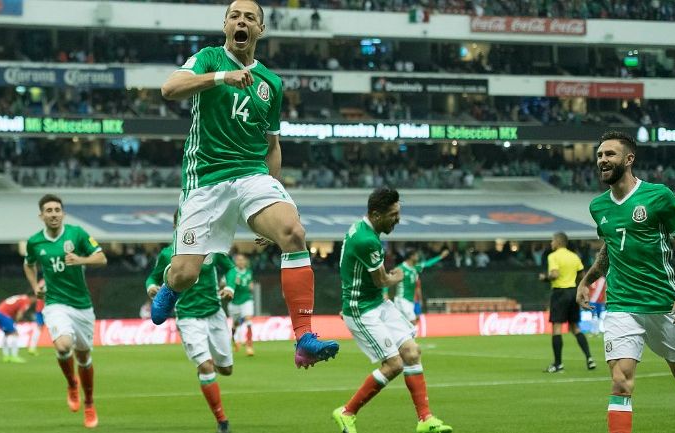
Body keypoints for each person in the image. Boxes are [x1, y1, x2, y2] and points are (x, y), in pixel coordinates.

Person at [152, 0, 338, 369]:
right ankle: (170, 286)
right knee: (187, 274)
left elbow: (272, 144)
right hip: (205, 180)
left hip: (252, 174)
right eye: (235, 16)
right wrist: (222, 78)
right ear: (225, 25)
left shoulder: (272, 83)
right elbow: (169, 89)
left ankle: (304, 338)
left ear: (260, 30)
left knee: (293, 232)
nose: (242, 21)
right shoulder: (208, 58)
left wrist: (273, 197)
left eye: (250, 17)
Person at [576, 131, 675, 433]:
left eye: (610, 154)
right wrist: (587, 280)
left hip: (662, 304)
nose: (602, 160)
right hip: (621, 305)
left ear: (629, 160)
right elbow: (610, 249)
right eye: (600, 155)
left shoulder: (659, 196)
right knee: (621, 382)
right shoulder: (598, 207)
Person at [332, 187, 452, 433]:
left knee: (411, 352)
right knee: (394, 364)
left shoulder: (362, 229)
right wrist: (398, 276)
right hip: (361, 308)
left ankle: (425, 419)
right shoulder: (368, 241)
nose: (398, 219)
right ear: (376, 214)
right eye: (394, 214)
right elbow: (382, 281)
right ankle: (346, 412)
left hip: (375, 303)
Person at [146, 210, 236, 433]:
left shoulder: (212, 249)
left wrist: (230, 286)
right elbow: (153, 276)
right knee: (206, 367)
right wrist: (151, 287)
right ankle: (222, 420)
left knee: (226, 369)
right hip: (187, 317)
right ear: (176, 226)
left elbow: (231, 268)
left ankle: (206, 366)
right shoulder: (169, 254)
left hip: (214, 313)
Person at [23, 194, 107, 429]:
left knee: (83, 357)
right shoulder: (35, 242)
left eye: (57, 210)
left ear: (63, 213)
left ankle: (89, 402)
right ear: (41, 216)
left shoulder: (77, 234)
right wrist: (34, 287)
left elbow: (101, 258)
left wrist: (81, 260)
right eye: (48, 210)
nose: (53, 214)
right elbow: (28, 264)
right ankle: (72, 383)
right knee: (62, 345)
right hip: (55, 303)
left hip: (82, 305)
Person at [538, 232, 595, 373]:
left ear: (558, 242)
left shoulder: (553, 256)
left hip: (560, 293)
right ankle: (589, 358)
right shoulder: (574, 256)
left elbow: (555, 274)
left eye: (552, 241)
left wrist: (544, 277)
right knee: (575, 327)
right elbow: (582, 275)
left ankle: (558, 364)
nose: (551, 243)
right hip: (573, 292)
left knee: (557, 328)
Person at [388, 249, 449, 325]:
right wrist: (384, 292)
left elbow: (427, 264)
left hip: (410, 300)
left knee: (404, 323)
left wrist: (440, 256)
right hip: (402, 299)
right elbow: (388, 278)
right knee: (412, 321)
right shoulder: (400, 268)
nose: (418, 257)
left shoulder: (415, 267)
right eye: (416, 255)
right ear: (411, 256)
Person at [0, 291, 37, 363]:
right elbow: (20, 313)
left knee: (6, 334)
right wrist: (16, 322)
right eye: (36, 298)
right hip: (3, 314)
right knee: (15, 334)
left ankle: (6, 356)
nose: (36, 301)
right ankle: (14, 356)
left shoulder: (21, 297)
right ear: (32, 297)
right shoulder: (26, 301)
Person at [225, 253, 256, 356]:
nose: (241, 262)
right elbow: (224, 284)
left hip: (246, 299)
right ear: (235, 262)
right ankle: (234, 340)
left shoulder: (248, 272)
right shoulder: (232, 273)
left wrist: (251, 286)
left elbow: (250, 283)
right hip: (234, 302)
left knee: (248, 319)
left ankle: (249, 345)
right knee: (235, 324)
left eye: (243, 260)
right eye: (239, 260)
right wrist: (231, 284)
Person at [28, 279, 46, 355]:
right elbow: (39, 289)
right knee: (39, 328)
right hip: (44, 309)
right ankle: (32, 347)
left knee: (39, 328)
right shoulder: (45, 280)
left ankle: (32, 347)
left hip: (43, 308)